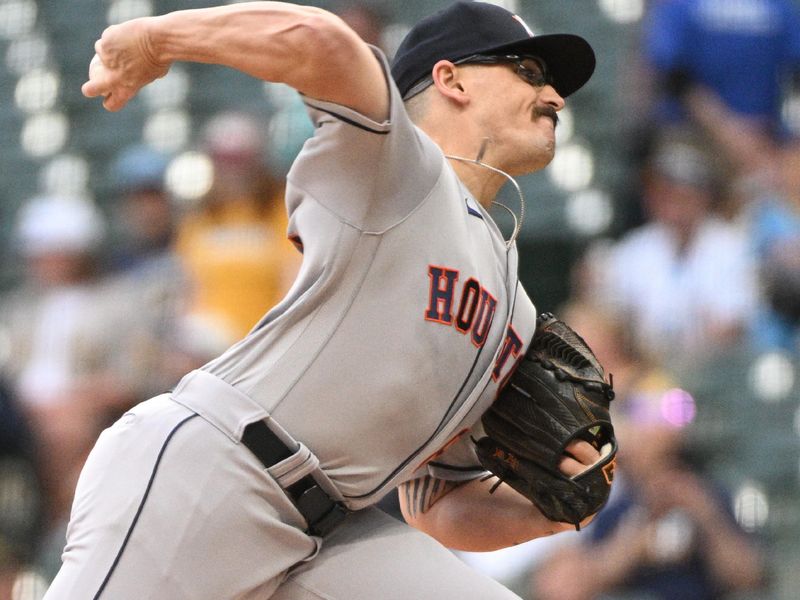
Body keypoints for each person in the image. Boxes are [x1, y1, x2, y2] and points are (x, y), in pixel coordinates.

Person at [45, 2, 604, 598]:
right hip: (217, 473)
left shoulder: (513, 306)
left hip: (331, 533)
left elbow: (434, 503)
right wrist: (156, 39)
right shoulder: (398, 165)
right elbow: (320, 40)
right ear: (451, 79)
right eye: (529, 70)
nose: (555, 97)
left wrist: (558, 504)